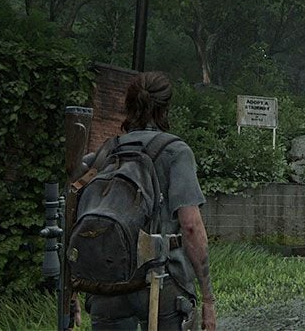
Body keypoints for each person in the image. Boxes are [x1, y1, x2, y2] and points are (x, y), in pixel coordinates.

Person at [77, 71, 216, 330]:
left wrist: (73, 290)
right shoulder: (176, 152)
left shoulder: (106, 152)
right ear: (165, 108)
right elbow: (191, 227)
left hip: (109, 283)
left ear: (129, 106)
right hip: (161, 280)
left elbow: (76, 215)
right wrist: (208, 298)